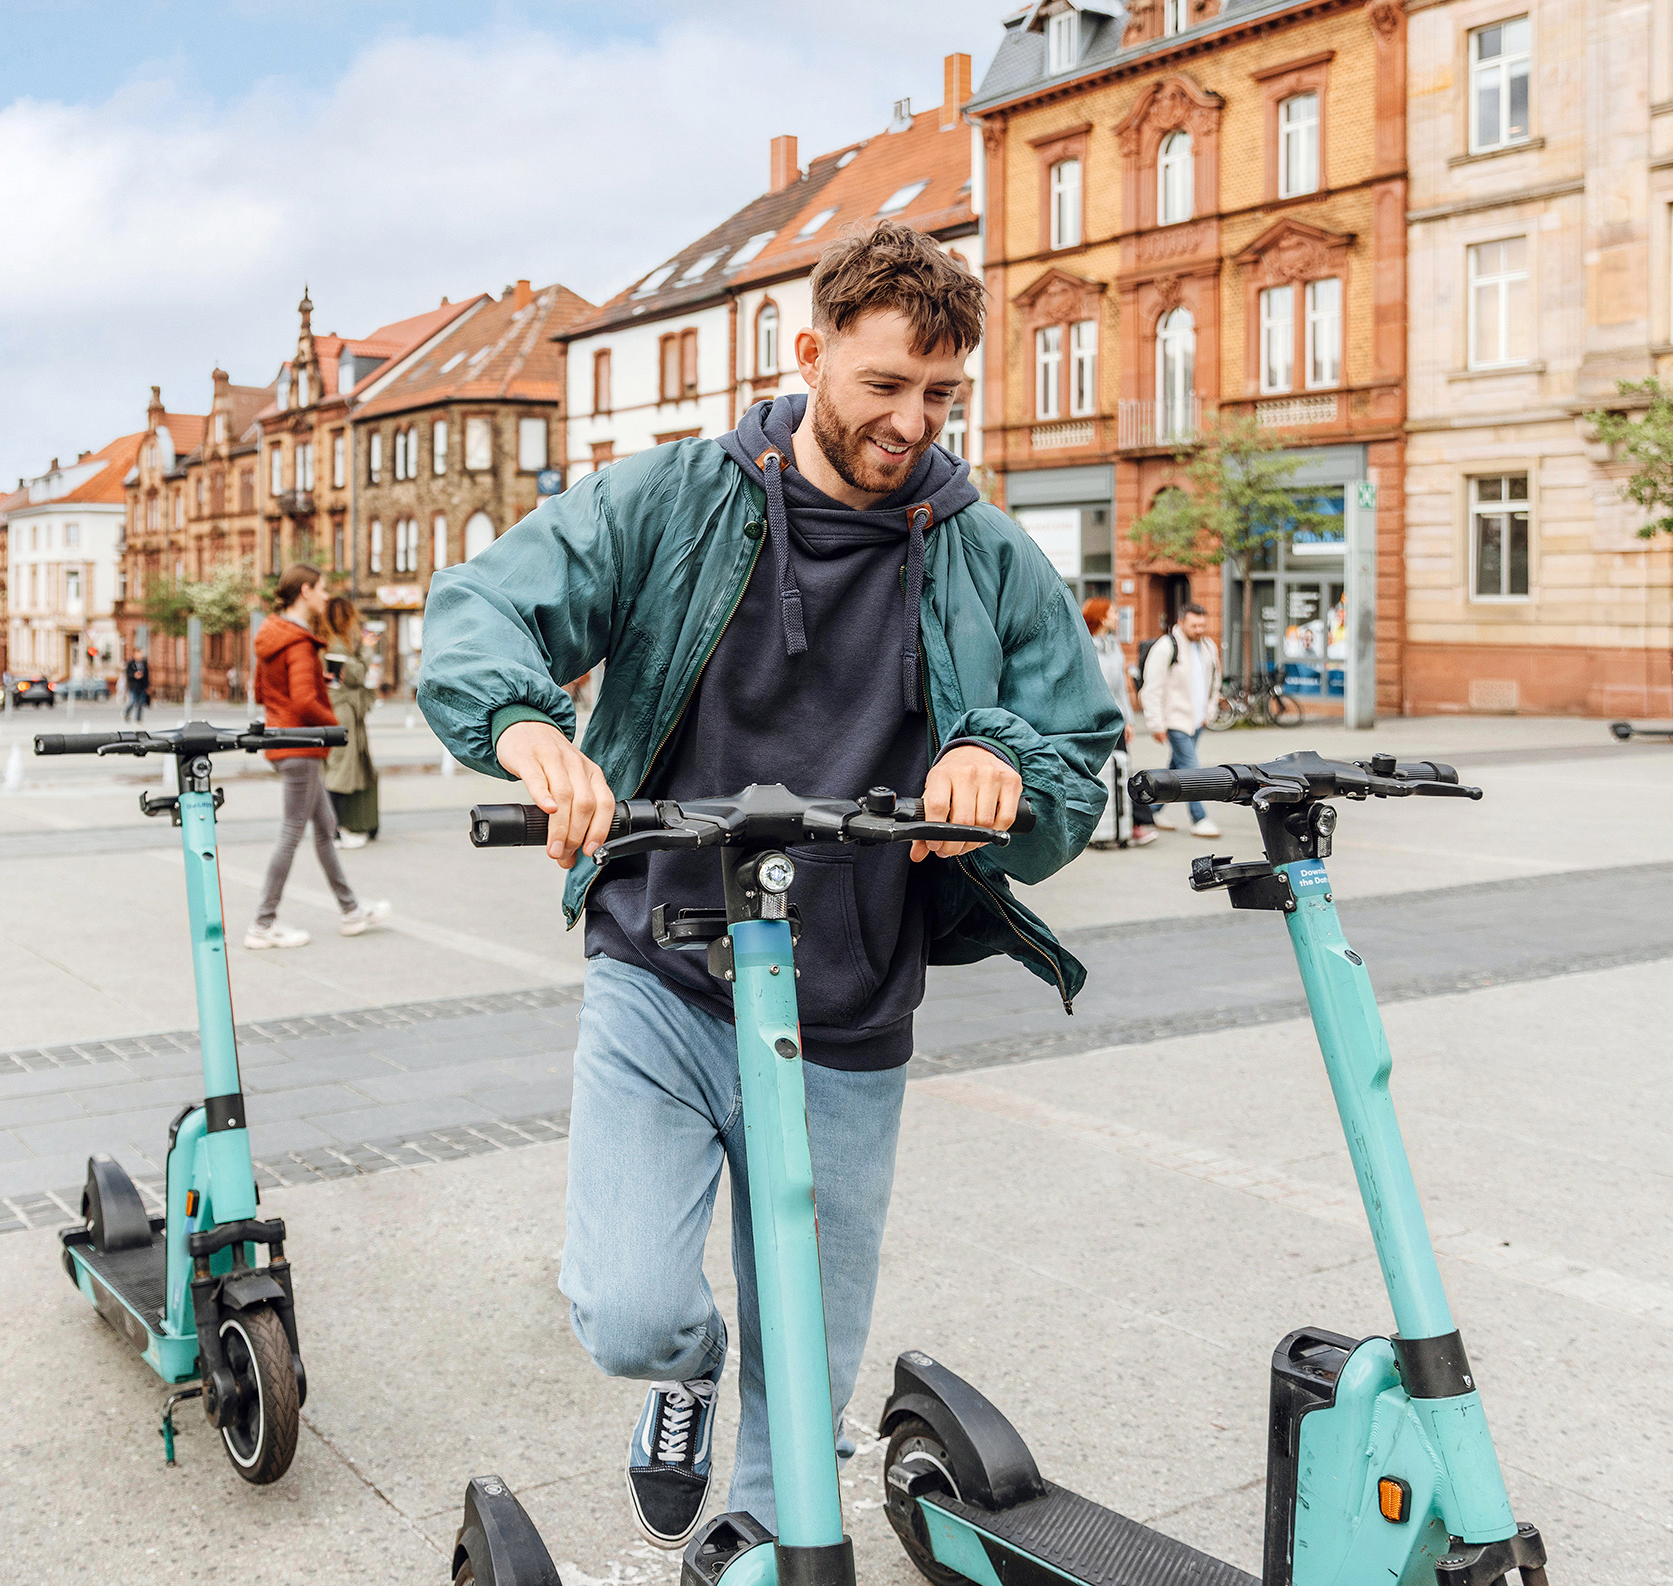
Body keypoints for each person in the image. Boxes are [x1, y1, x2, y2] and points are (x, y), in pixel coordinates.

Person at [418, 221, 1117, 1548]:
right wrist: (520, 726)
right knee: (626, 1310)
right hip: (662, 969)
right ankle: (683, 1369)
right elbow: (480, 605)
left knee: (804, 1387)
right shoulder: (674, 498)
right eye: (884, 384)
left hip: (848, 1004)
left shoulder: (983, 550)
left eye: (941, 394)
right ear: (808, 354)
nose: (912, 421)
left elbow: (1078, 746)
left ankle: (751, 1550)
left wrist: (1002, 763)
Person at [246, 567, 389, 947]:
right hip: (301, 745)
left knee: (325, 829)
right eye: (322, 590)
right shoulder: (298, 642)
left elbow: (262, 691)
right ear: (305, 591)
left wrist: (313, 679)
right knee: (292, 832)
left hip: (282, 738)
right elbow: (304, 702)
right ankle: (262, 924)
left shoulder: (271, 635)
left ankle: (351, 910)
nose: (326, 597)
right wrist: (334, 727)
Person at [1137, 601, 1222, 839]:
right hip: (1175, 720)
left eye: (1202, 625)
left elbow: (1214, 681)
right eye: (1194, 625)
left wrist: (1209, 711)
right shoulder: (1166, 646)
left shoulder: (1208, 646)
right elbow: (1151, 687)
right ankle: (1199, 818)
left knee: (1176, 769)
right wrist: (1156, 723)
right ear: (1181, 622)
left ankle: (1151, 810)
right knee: (1191, 769)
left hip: (1197, 720)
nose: (1199, 630)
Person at [1082, 597, 1154, 847]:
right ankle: (1095, 828)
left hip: (1115, 721)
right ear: (1101, 617)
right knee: (1094, 774)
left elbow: (1120, 689)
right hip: (1093, 723)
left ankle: (1132, 824)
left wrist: (1128, 720)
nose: (1117, 617)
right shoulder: (1084, 646)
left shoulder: (1114, 646)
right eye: (1113, 612)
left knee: (1123, 770)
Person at [320, 595, 380, 846]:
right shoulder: (334, 645)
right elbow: (355, 675)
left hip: (342, 710)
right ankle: (333, 830)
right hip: (342, 712)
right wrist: (366, 648)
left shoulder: (330, 642)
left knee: (341, 768)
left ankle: (342, 826)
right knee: (340, 770)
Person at [123, 651, 151, 723]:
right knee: (132, 701)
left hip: (142, 686)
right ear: (135, 655)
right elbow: (128, 674)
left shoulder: (144, 664)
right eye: (138, 654)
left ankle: (138, 718)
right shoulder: (130, 664)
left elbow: (147, 676)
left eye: (141, 655)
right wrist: (134, 675)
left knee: (141, 702)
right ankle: (127, 713)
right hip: (133, 686)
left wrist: (147, 687)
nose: (140, 656)